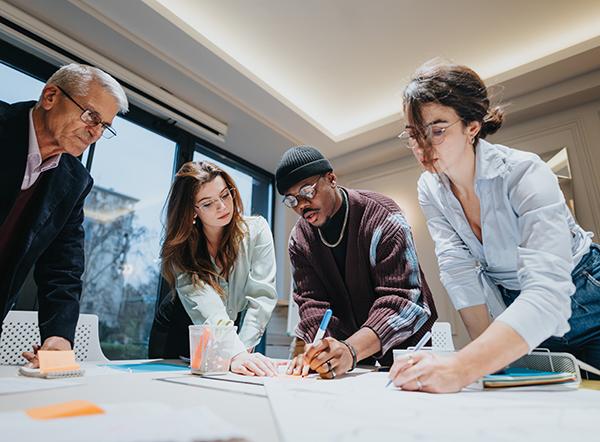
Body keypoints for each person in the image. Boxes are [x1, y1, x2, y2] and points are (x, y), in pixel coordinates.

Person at [389, 61, 600, 392]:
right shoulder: (430, 188)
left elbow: (546, 290)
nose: (423, 147)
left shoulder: (524, 172)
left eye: (438, 129)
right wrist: (483, 365)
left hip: (585, 291)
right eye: (414, 134)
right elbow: (457, 268)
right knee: (545, 401)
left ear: (472, 126)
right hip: (519, 304)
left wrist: (461, 367)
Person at [0, 63, 128, 366]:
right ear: (50, 97)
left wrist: (59, 337)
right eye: (91, 116)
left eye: (104, 126)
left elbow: (63, 266)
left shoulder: (75, 180)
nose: (95, 132)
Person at [277, 146, 437, 378]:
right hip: (349, 360)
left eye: (307, 191)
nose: (301, 205)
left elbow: (401, 299)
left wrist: (351, 349)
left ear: (331, 179)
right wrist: (324, 350)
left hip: (408, 351)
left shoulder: (383, 216)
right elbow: (311, 303)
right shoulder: (300, 239)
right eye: (292, 200)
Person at [151, 161, 278, 376]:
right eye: (208, 203)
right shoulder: (182, 250)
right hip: (182, 327)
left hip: (227, 328)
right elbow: (207, 307)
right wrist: (236, 354)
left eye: (225, 195)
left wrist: (243, 352)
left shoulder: (257, 230)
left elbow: (262, 296)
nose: (222, 206)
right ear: (192, 211)